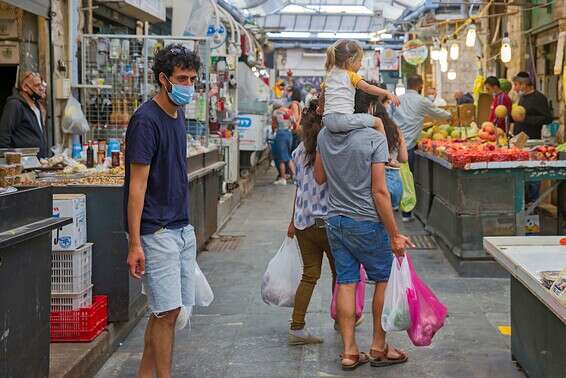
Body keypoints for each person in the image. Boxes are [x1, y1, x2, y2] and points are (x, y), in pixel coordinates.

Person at [314, 92, 413, 371]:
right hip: (367, 221)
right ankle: (379, 346)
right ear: (369, 109)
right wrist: (394, 233)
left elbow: (319, 177)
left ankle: (349, 351)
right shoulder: (373, 138)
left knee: (346, 281)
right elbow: (379, 191)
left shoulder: (324, 136)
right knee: (382, 279)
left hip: (335, 220)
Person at [124, 44, 200, 378]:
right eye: (181, 78)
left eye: (192, 78)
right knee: (167, 312)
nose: (188, 85)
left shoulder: (177, 114)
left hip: (180, 227)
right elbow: (136, 187)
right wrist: (135, 242)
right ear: (163, 80)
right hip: (156, 230)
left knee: (167, 313)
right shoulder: (145, 121)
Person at [287, 99, 337, 345]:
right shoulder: (329, 150)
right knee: (342, 274)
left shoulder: (298, 151)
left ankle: (297, 327)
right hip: (327, 222)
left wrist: (291, 222)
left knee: (309, 275)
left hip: (303, 223)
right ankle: (343, 318)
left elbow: (298, 189)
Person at [389, 75, 450, 222]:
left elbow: (389, 118)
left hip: (393, 143)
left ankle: (395, 205)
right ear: (420, 85)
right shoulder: (422, 101)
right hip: (408, 145)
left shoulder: (398, 99)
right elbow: (439, 113)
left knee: (395, 175)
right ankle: (406, 214)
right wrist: (451, 115)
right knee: (407, 179)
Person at [320, 39, 398, 134]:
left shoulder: (329, 76)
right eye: (359, 61)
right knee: (378, 122)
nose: (361, 65)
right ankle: (384, 149)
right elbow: (367, 88)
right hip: (344, 120)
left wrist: (320, 108)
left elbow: (323, 95)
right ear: (349, 61)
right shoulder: (351, 75)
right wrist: (386, 92)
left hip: (328, 120)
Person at [0, 71, 49, 158]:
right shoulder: (14, 105)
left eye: (41, 85)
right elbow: (4, 135)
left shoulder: (37, 105)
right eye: (37, 85)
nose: (41, 88)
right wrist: (8, 162)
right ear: (25, 87)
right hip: (22, 163)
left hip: (37, 162)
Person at [512, 71, 553, 139]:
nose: (514, 88)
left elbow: (547, 119)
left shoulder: (539, 98)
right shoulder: (522, 97)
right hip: (519, 139)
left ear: (524, 84)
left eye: (516, 85)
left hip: (531, 140)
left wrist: (526, 119)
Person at [271, 103, 296, 185]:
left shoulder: (276, 112)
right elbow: (294, 123)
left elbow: (274, 125)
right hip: (289, 134)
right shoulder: (289, 111)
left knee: (281, 157)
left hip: (280, 134)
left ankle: (283, 178)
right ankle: (294, 177)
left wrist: (273, 131)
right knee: (288, 156)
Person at [289, 86, 303, 152]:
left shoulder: (293, 104)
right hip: (298, 129)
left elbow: (296, 117)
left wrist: (289, 117)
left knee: (292, 150)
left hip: (294, 130)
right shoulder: (299, 104)